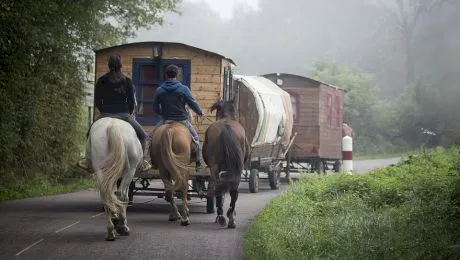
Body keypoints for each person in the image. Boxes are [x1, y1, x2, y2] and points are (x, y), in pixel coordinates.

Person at [77, 54, 152, 172]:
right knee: (143, 136)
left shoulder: (102, 80)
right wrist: (129, 113)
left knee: (89, 134)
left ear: (109, 65)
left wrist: (104, 112)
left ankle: (87, 160)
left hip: (105, 114)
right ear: (120, 65)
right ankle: (141, 162)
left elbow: (97, 100)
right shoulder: (127, 81)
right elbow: (131, 101)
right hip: (124, 115)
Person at [150, 64, 204, 172]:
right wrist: (200, 112)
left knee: (151, 138)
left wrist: (163, 113)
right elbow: (192, 103)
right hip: (182, 121)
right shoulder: (184, 89)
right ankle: (198, 162)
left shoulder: (160, 90)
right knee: (196, 139)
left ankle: (153, 162)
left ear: (166, 75)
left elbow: (155, 108)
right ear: (177, 75)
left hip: (166, 120)